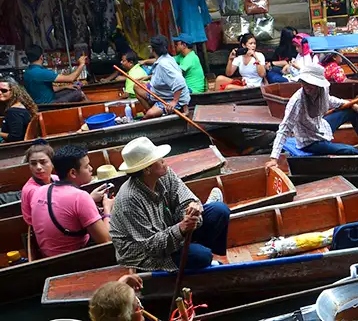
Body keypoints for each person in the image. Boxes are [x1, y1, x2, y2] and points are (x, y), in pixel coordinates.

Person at [111, 137, 229, 271]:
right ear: (147, 170)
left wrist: (191, 209)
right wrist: (181, 228)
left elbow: (186, 199)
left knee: (219, 211)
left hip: (170, 229)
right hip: (144, 254)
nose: (163, 160)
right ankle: (201, 258)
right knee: (201, 256)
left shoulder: (165, 174)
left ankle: (206, 257)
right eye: (158, 159)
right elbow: (150, 246)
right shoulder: (129, 199)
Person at [266, 63, 358, 163]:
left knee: (351, 111)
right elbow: (284, 128)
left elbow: (329, 100)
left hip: (322, 126)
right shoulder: (297, 101)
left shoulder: (323, 89)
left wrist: (350, 104)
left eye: (310, 83)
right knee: (350, 150)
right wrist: (274, 158)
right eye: (304, 82)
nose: (306, 86)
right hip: (310, 142)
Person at [29, 145, 113, 257]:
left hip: (46, 257)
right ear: (73, 173)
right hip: (73, 260)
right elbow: (106, 241)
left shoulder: (39, 191)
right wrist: (108, 208)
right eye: (87, 166)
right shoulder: (80, 197)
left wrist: (90, 199)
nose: (91, 169)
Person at [134, 36, 190, 120]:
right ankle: (153, 109)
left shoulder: (164, 64)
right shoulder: (165, 57)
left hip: (172, 98)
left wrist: (174, 101)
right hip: (160, 93)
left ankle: (153, 113)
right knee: (137, 87)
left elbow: (179, 81)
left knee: (150, 114)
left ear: (152, 49)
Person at [22, 45, 88, 104]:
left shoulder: (27, 72)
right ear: (41, 57)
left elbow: (45, 89)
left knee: (71, 89)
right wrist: (81, 64)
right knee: (79, 93)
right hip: (49, 105)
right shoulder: (41, 72)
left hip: (39, 103)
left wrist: (65, 87)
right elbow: (71, 78)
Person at [20, 142, 57, 225]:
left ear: (52, 163)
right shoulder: (32, 190)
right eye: (33, 163)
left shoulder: (56, 179)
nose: (38, 167)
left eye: (43, 162)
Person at [0, 77, 38, 143]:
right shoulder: (20, 105)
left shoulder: (13, 111)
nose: (0, 93)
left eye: (4, 90)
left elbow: (15, 137)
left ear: (14, 91)